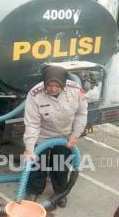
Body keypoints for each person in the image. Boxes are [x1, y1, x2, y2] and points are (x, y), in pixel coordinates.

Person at [23, 65, 88, 207]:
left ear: (63, 84)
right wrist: (29, 148)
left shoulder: (76, 90)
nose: (53, 89)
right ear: (44, 82)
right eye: (49, 85)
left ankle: (60, 192)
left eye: (57, 85)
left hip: (64, 135)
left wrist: (75, 135)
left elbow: (81, 114)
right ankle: (33, 190)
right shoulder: (35, 94)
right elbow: (32, 123)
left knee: (61, 164)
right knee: (38, 163)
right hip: (43, 135)